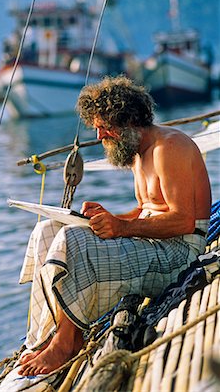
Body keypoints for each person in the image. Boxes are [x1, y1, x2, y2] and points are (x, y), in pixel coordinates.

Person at [18, 75, 211, 377]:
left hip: (179, 253)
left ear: (130, 119)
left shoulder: (168, 148)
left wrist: (119, 228)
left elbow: (183, 220)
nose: (98, 134)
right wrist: (109, 217)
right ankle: (45, 336)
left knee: (74, 241)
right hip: (154, 244)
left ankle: (67, 342)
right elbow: (148, 209)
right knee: (48, 231)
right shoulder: (138, 153)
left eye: (104, 125)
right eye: (95, 126)